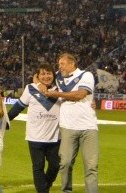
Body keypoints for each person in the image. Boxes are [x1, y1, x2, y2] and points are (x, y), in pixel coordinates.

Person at [37, 53, 98, 193]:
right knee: (65, 163)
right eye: (59, 64)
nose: (59, 67)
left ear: (72, 64)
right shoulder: (58, 76)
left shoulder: (86, 75)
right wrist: (40, 83)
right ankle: (66, 191)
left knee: (91, 166)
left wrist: (56, 94)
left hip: (88, 128)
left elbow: (80, 94)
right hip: (67, 127)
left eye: (62, 64)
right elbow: (38, 75)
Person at [8, 63, 61, 193]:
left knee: (56, 165)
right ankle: (43, 190)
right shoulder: (30, 88)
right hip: (35, 136)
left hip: (55, 137)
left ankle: (46, 184)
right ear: (37, 76)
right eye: (43, 74)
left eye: (49, 73)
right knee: (38, 166)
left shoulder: (61, 90)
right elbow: (19, 107)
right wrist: (5, 120)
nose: (46, 76)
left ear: (54, 75)